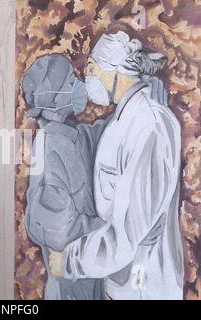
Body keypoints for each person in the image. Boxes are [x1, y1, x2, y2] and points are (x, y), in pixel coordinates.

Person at [48, 31, 183, 300]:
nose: (89, 78)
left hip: (145, 289)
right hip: (121, 284)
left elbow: (127, 230)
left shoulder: (148, 127)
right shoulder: (124, 121)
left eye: (93, 68)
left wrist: (70, 261)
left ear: (116, 71)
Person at [23, 54, 109, 300]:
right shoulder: (48, 148)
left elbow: (97, 134)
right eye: (71, 82)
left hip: (88, 276)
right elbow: (58, 229)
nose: (78, 86)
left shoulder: (73, 136)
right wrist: (108, 229)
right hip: (69, 287)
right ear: (55, 98)